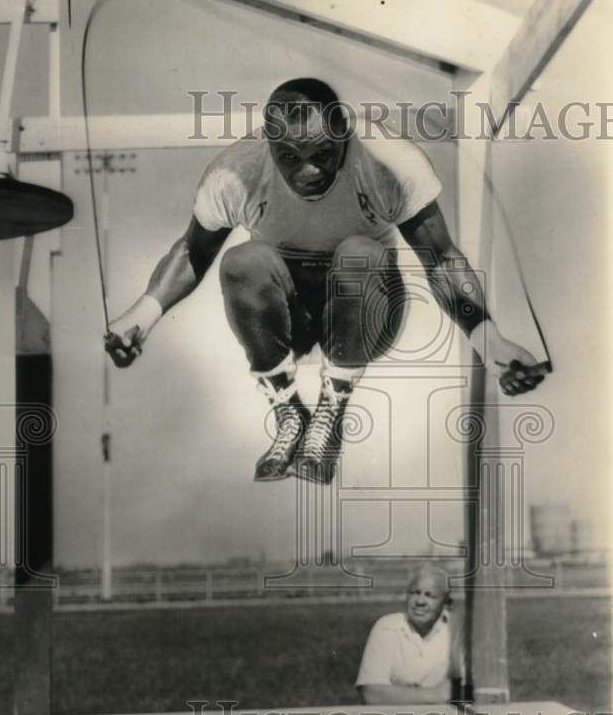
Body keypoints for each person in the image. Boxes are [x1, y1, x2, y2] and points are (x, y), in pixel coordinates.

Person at [104, 78, 546, 484]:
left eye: (321, 155)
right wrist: (140, 318)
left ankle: (332, 406)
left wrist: (489, 338)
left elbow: (442, 259)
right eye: (290, 158)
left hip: (364, 309)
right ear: (268, 143)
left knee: (360, 252)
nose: (307, 173)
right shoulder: (235, 173)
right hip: (291, 316)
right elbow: (191, 252)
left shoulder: (389, 163)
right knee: (242, 260)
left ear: (345, 138)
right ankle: (287, 405)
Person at [355, 564, 462, 705]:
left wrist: (400, 693)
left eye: (430, 595)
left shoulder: (457, 629)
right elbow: (371, 694)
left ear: (446, 603)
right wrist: (436, 694)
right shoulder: (387, 627)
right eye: (414, 592)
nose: (420, 601)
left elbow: (466, 691)